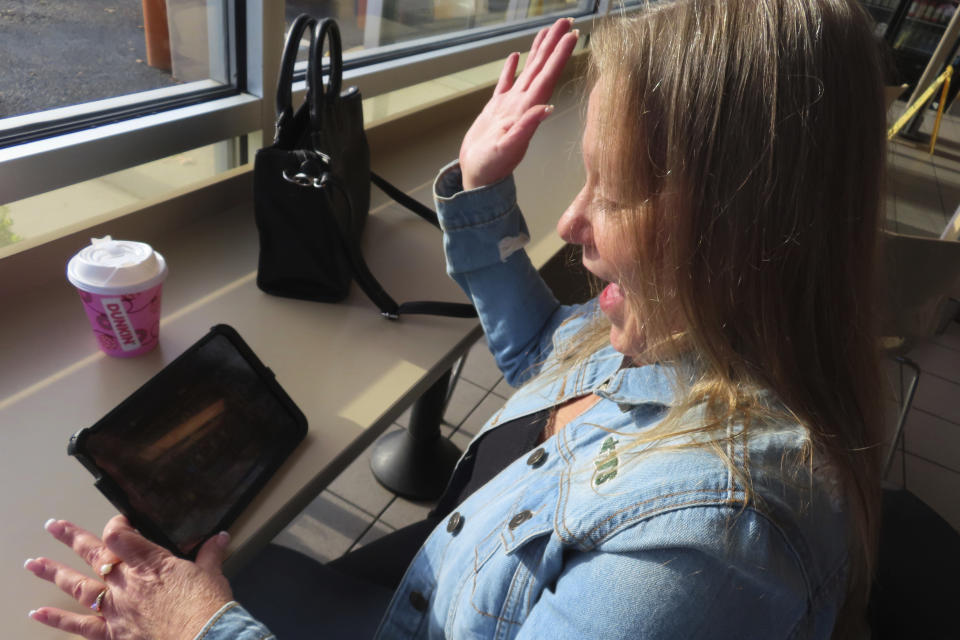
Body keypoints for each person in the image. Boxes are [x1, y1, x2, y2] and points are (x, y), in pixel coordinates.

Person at [25, 1, 888, 637]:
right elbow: (557, 359)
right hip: (413, 586)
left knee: (249, 579)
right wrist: (480, 191)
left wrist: (199, 627)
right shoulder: (690, 337)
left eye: (613, 195)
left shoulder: (707, 553)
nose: (571, 225)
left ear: (744, 233)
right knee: (267, 568)